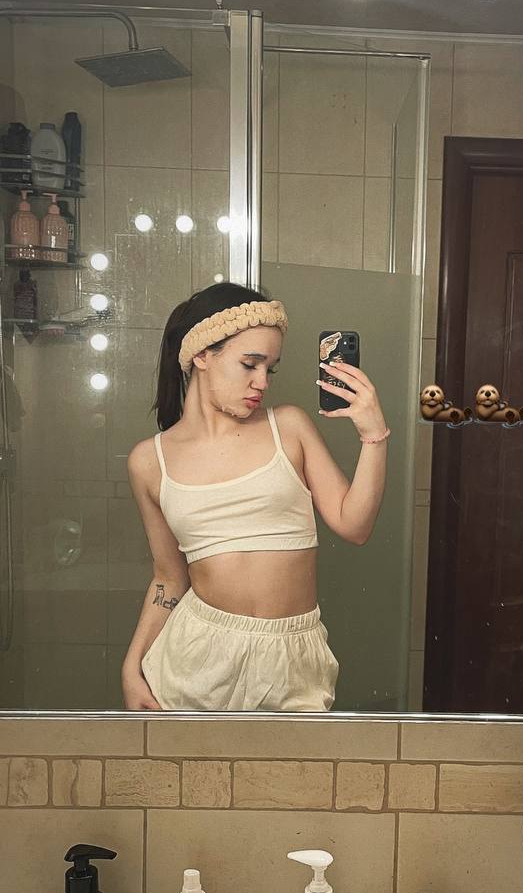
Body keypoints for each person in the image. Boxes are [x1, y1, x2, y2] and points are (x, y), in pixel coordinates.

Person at [121, 282, 389, 712]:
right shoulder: (149, 461)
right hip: (194, 656)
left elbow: (354, 526)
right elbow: (168, 577)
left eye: (270, 369)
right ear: (201, 355)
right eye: (249, 364)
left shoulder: (290, 428)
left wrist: (374, 435)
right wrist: (132, 667)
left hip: (292, 655)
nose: (262, 382)